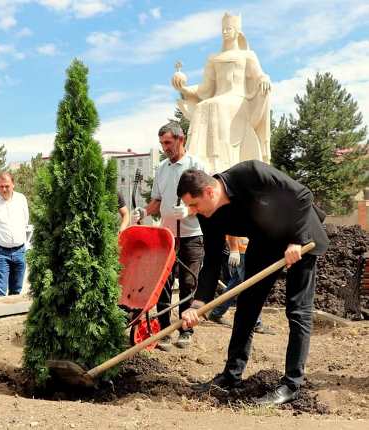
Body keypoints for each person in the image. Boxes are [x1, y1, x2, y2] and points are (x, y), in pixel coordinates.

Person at [177, 160, 329, 406]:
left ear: (209, 191)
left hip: (300, 234)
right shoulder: (209, 214)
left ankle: (292, 384)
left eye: (193, 204)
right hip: (265, 241)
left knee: (297, 310)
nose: (192, 211)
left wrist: (296, 241)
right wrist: (197, 303)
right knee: (247, 306)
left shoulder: (251, 174)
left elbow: (302, 195)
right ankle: (231, 375)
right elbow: (213, 259)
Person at [131, 121, 205, 350]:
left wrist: (189, 210)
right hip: (166, 236)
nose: (165, 147)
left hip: (192, 234)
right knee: (163, 283)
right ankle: (163, 330)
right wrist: (144, 210)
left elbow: (206, 199)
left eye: (168, 143)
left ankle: (185, 330)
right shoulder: (162, 168)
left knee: (188, 282)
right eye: (162, 143)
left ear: (181, 139)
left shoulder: (195, 164)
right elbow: (157, 201)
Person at [172, 13, 271, 174]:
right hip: (218, 99)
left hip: (238, 101)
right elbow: (205, 89)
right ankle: (199, 164)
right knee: (204, 105)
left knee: (215, 104)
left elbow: (260, 75)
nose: (225, 32)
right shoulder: (214, 58)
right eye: (223, 29)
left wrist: (265, 79)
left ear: (237, 31)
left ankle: (223, 163)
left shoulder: (247, 55)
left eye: (229, 29)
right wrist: (183, 89)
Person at [209, 236, 274, 335]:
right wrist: (234, 250)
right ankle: (256, 323)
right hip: (243, 250)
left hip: (248, 249)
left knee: (236, 284)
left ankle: (216, 313)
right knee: (252, 287)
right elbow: (232, 227)